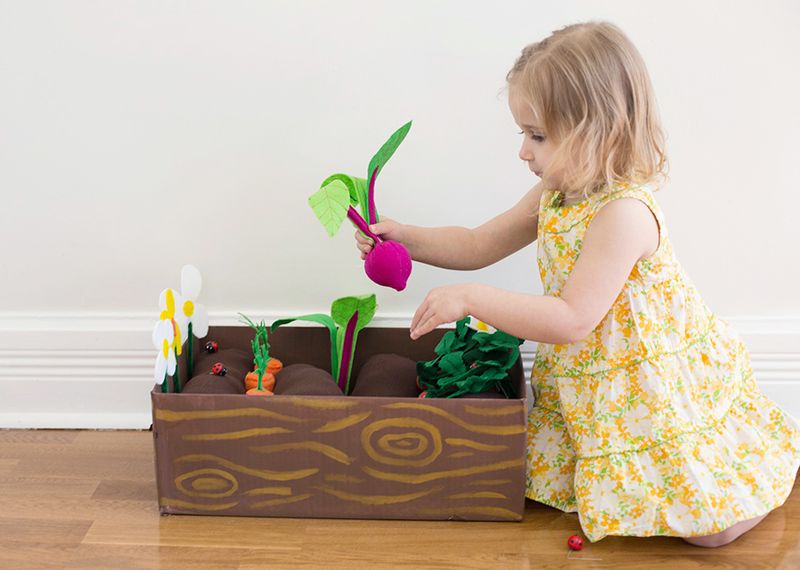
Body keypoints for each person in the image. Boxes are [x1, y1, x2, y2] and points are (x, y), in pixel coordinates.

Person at [355, 21, 800, 547]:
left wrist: (472, 300)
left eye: (538, 136)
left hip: (644, 370)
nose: (524, 151)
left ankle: (762, 474)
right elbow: (477, 244)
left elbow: (571, 318)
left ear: (599, 131)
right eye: (522, 133)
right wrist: (405, 238)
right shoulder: (554, 194)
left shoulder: (624, 213)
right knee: (576, 480)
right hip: (596, 369)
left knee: (710, 534)